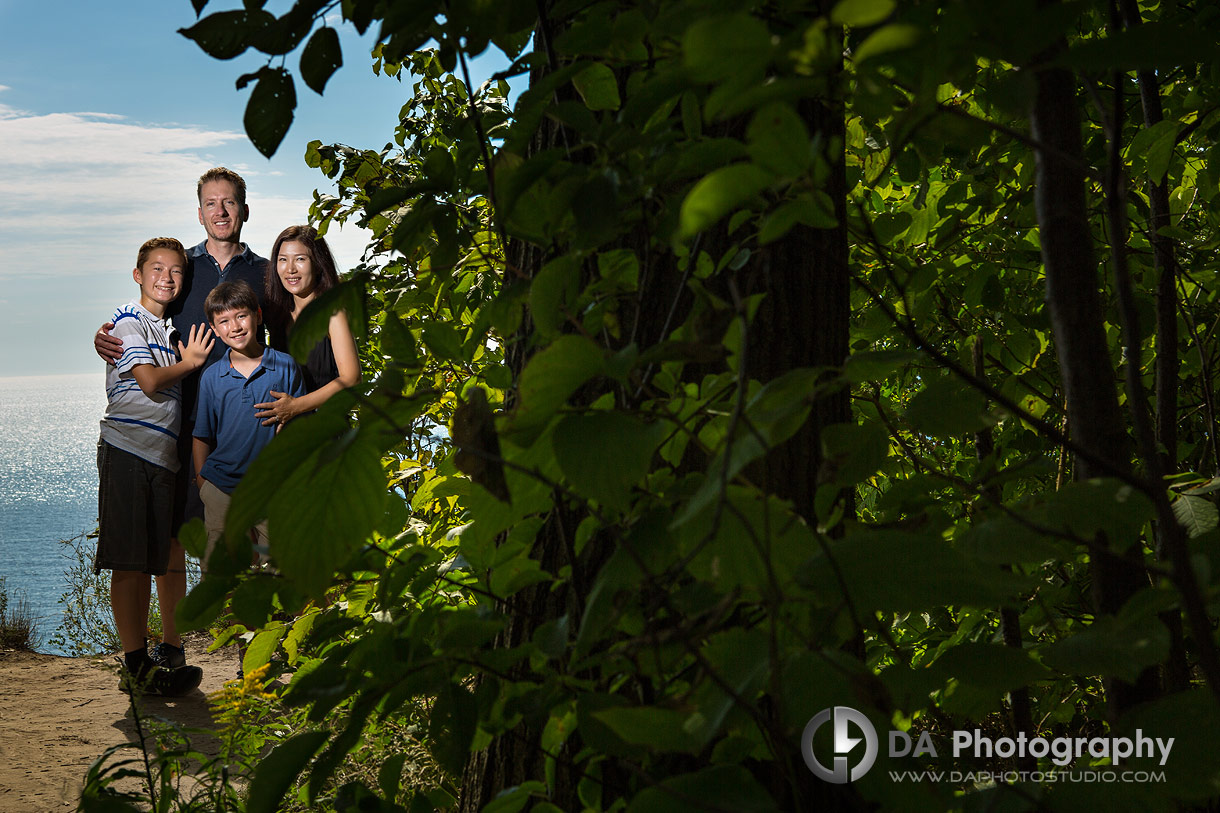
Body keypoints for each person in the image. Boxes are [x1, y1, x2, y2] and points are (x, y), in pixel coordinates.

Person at [94, 167, 266, 673]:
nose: (220, 211)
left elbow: (290, 328)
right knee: (171, 542)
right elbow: (141, 320)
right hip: (180, 428)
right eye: (211, 203)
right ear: (199, 212)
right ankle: (171, 648)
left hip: (243, 427)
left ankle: (254, 653)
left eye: (229, 202)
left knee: (248, 541)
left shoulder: (262, 272)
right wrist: (104, 339)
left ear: (243, 210)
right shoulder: (183, 268)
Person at [97, 238, 213, 696]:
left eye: (176, 271)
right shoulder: (128, 320)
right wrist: (190, 363)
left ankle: (167, 653)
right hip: (127, 449)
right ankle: (135, 664)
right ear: (138, 274)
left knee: (165, 558)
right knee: (130, 562)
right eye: (156, 269)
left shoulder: (168, 331)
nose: (166, 277)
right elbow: (147, 383)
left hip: (163, 457)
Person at [193, 280, 304, 566]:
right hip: (221, 489)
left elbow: (302, 424)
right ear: (215, 329)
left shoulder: (286, 365)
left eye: (241, 316)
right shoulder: (211, 377)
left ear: (257, 315)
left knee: (278, 573)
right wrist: (203, 483)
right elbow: (202, 435)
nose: (235, 327)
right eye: (224, 321)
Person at [254, 225, 360, 425]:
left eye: (300, 259)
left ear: (318, 263)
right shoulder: (278, 312)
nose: (290, 269)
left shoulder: (333, 312)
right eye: (283, 259)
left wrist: (295, 406)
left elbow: (352, 379)